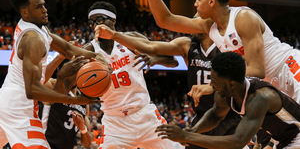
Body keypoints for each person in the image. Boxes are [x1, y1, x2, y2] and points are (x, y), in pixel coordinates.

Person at [141, 0, 300, 105]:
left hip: (288, 68)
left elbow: (257, 70)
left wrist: (213, 85)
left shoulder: (244, 18)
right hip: (269, 84)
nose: (195, 4)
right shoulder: (207, 25)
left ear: (211, 1)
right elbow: (165, 20)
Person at [94, 21, 250, 149]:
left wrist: (211, 87)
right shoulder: (187, 45)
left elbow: (247, 74)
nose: (193, 22)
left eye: (197, 19)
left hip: (229, 115)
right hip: (203, 117)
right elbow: (154, 44)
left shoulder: (227, 46)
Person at [0, 0, 105, 148]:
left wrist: (96, 55)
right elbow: (32, 90)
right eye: (38, 7)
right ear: (25, 12)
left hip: (9, 99)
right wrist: (76, 99)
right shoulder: (32, 39)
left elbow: (67, 48)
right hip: (19, 105)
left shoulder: (40, 29)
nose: (45, 9)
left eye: (43, 4)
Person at [83, 1, 184, 149]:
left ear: (113, 20)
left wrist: (155, 59)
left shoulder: (132, 39)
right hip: (114, 122)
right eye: (92, 22)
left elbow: (174, 61)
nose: (95, 25)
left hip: (144, 114)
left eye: (100, 20)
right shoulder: (89, 50)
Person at [155, 52, 300, 149]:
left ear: (231, 83)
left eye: (214, 80)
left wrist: (187, 136)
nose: (210, 84)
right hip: (282, 138)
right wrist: (194, 130)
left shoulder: (259, 98)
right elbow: (215, 114)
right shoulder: (224, 93)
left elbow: (238, 141)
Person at [39, 53, 94, 149]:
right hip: (44, 145)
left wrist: (82, 128)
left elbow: (87, 144)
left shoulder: (84, 102)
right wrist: (58, 57)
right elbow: (37, 80)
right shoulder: (53, 85)